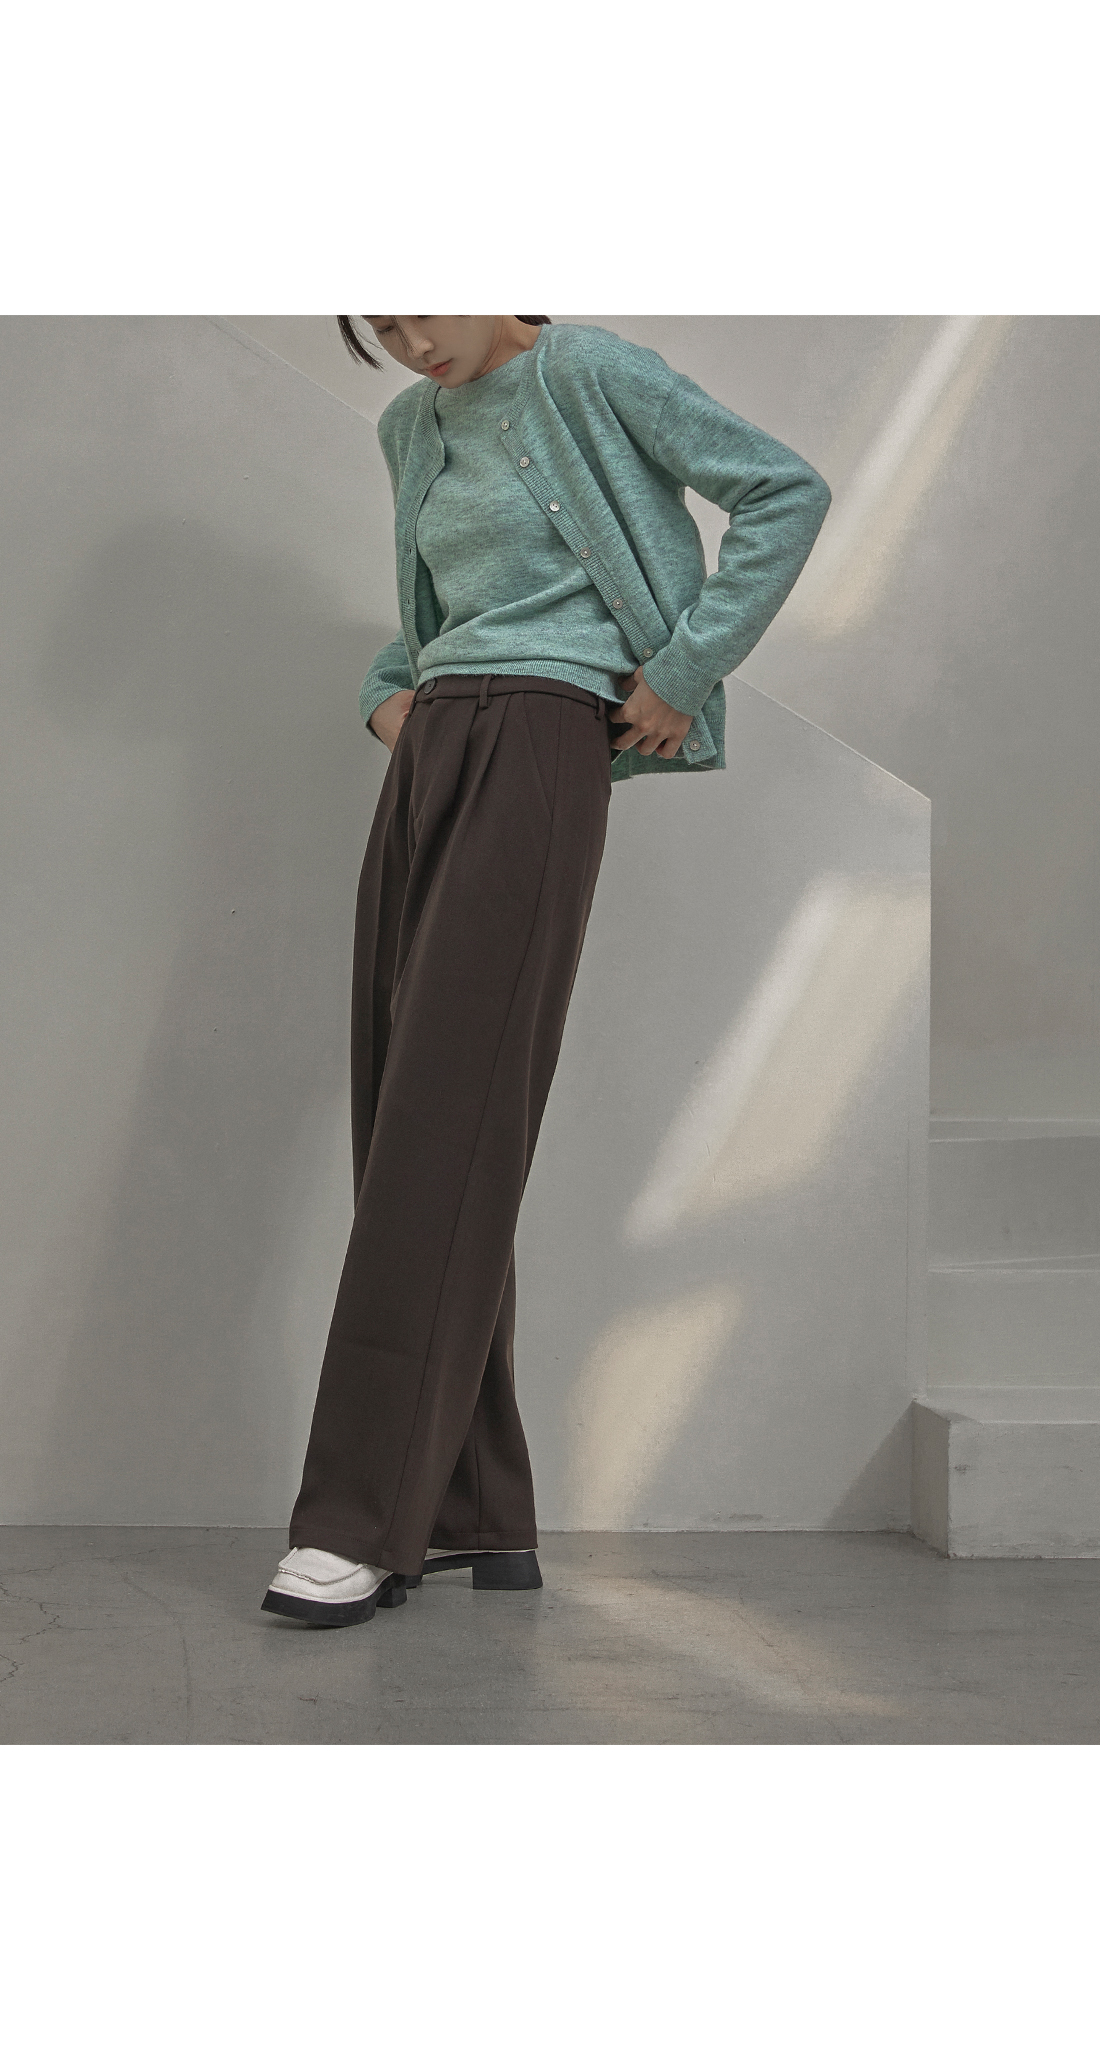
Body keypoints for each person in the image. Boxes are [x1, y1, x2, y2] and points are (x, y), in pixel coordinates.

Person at [262, 315, 832, 1628]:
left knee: (443, 1126)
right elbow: (434, 613)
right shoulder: (411, 427)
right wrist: (386, 693)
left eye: (417, 306)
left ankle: (356, 1517)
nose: (407, 341)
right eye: (377, 325)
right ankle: (474, 1510)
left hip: (541, 740)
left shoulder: (588, 372)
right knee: (402, 1110)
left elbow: (783, 490)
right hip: (435, 750)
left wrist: (683, 670)